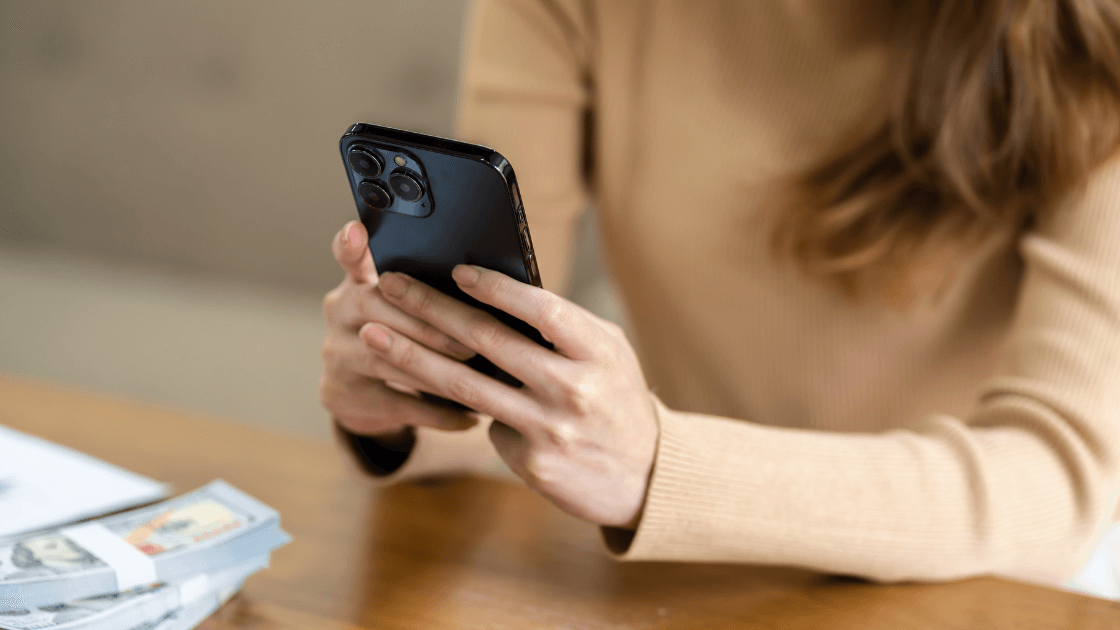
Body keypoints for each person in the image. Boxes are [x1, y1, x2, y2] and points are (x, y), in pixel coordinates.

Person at [319, 0, 1120, 596]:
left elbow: (1060, 483)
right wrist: (411, 388)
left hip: (980, 586)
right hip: (692, 575)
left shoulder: (1092, 33)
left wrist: (664, 468)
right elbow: (514, 365)